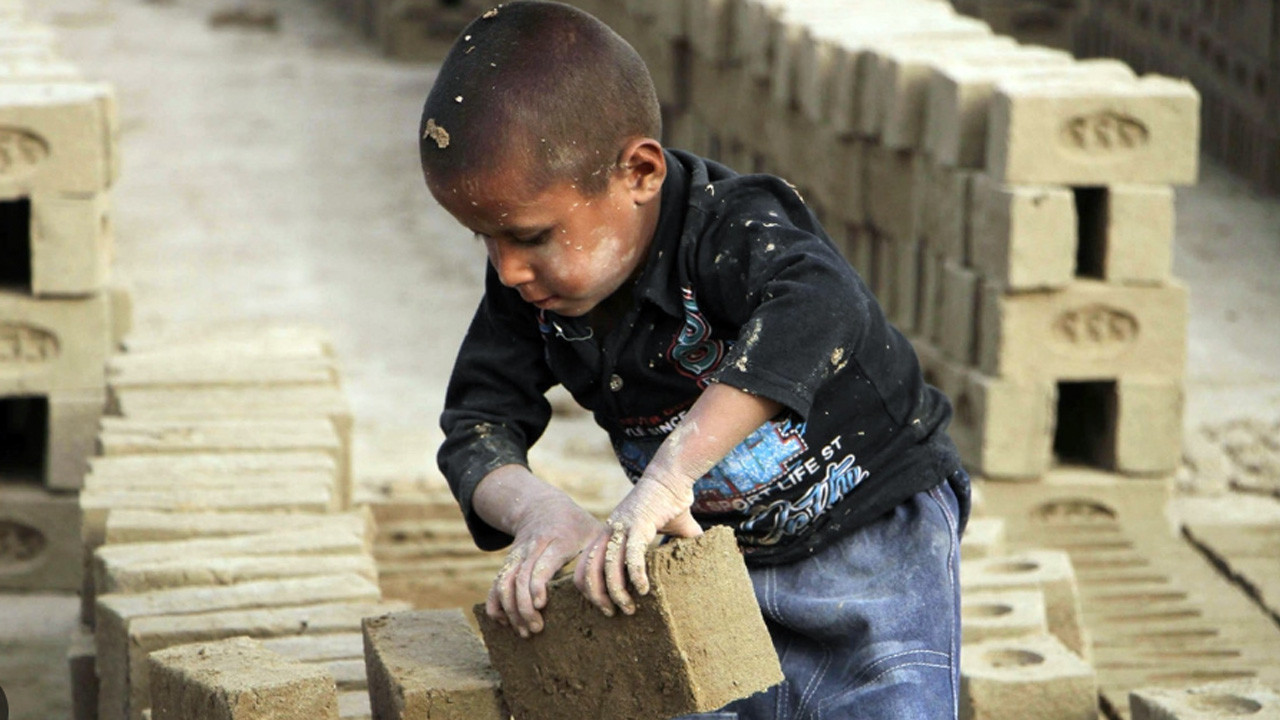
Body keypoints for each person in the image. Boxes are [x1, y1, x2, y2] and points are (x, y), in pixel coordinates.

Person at [423, 2, 971, 717]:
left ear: (640, 172)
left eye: (530, 236)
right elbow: (475, 426)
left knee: (886, 703)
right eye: (485, 241)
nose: (509, 269)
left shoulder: (732, 226)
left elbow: (823, 308)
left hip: (867, 528)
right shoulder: (532, 294)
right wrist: (539, 515)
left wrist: (671, 473)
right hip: (711, 562)